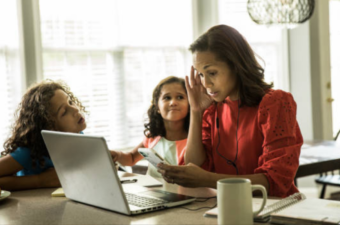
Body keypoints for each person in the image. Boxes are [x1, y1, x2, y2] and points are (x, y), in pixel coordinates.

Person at [157, 25, 303, 198]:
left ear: (236, 66)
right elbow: (193, 165)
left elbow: (276, 181)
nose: (206, 84)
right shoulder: (211, 110)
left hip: (272, 209)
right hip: (227, 206)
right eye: (201, 75)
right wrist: (196, 111)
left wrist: (208, 179)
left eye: (212, 72)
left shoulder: (275, 102)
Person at [0, 80, 87, 191]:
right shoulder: (30, 152)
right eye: (64, 112)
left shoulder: (78, 136)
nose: (75, 109)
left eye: (70, 102)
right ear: (49, 127)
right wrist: (40, 180)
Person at [110, 76, 190, 178]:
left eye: (180, 97)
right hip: (152, 192)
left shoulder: (195, 140)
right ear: (157, 107)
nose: (173, 102)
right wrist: (117, 155)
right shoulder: (152, 136)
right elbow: (131, 158)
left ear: (190, 105)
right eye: (167, 98)